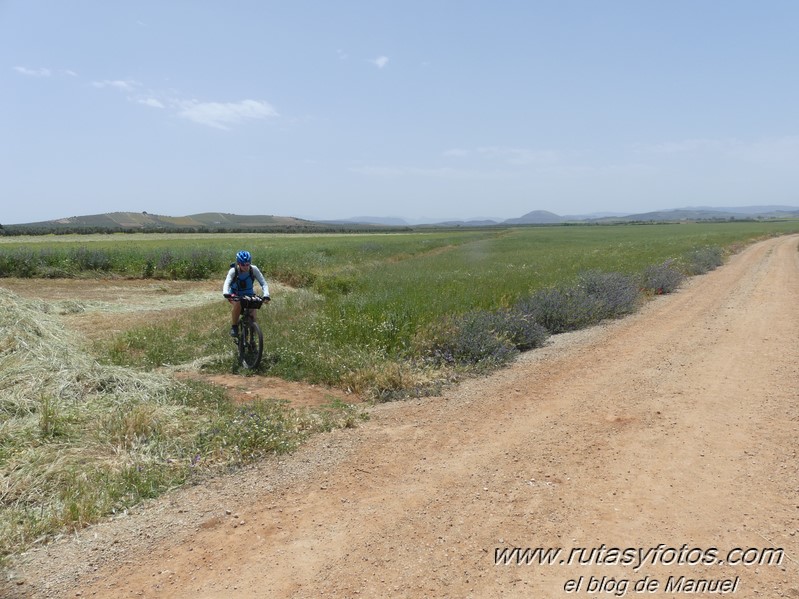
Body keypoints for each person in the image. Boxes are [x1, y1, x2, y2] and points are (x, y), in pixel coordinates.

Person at [222, 250, 270, 337]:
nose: (245, 266)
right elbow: (227, 283)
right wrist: (225, 293)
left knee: (253, 314)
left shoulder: (253, 269)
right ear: (238, 263)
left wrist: (266, 294)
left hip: (249, 294)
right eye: (243, 264)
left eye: (247, 264)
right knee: (238, 304)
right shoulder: (233, 271)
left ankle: (252, 339)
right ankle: (234, 326)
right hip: (234, 295)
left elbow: (263, 283)